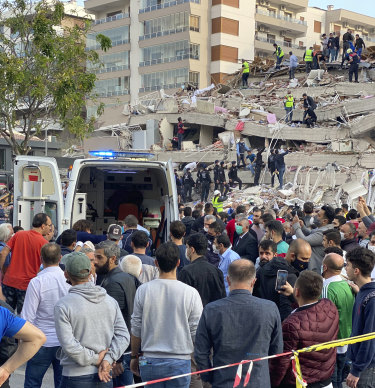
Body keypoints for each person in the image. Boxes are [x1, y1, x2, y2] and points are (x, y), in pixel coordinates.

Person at [194, 260, 283, 388]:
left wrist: (210, 377)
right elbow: (277, 351)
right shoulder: (270, 308)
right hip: (258, 381)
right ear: (253, 281)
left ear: (228, 280)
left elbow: (201, 352)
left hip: (223, 381)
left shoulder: (211, 310)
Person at [130, 242, 203, 388]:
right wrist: (199, 360)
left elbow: (136, 327)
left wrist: (133, 356)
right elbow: (196, 331)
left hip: (149, 359)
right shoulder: (190, 293)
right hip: (180, 360)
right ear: (178, 262)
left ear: (156, 263)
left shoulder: (143, 290)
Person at [54, 252, 129, 388]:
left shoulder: (63, 305)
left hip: (76, 375)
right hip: (104, 374)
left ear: (66, 274)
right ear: (90, 273)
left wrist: (99, 359)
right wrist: (107, 359)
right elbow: (123, 336)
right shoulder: (110, 301)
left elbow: (69, 345)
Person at [270, 271, 339, 388]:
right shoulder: (329, 306)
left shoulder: (291, 324)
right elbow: (311, 311)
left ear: (297, 291)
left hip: (302, 383)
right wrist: (294, 295)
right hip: (326, 380)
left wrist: (272, 383)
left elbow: (282, 363)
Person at [21, 243, 70, 388]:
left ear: (41, 259)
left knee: (32, 383)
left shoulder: (37, 282)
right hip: (64, 340)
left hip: (40, 341)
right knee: (62, 383)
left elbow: (27, 316)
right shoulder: (68, 280)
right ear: (60, 258)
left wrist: (23, 342)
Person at [94, 240, 140, 387]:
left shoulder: (113, 282)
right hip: (124, 349)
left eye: (99, 257)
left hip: (118, 352)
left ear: (113, 259)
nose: (95, 261)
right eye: (95, 257)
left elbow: (114, 322)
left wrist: (116, 358)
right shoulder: (127, 277)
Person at [0, 213, 51, 312]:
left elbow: (3, 253)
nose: (50, 229)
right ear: (43, 226)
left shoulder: (19, 234)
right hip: (27, 285)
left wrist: (3, 272)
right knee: (23, 317)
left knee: (4, 314)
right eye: (49, 225)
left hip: (9, 281)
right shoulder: (44, 243)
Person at [254, 239, 311, 321]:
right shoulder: (290, 276)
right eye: (304, 259)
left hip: (262, 317)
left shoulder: (265, 267)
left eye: (308, 259)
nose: (307, 262)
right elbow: (285, 308)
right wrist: (293, 293)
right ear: (292, 256)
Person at [321, 253, 355, 388]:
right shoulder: (348, 284)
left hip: (332, 345)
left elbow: (324, 319)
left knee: (334, 381)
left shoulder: (327, 288)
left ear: (324, 267)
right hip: (347, 342)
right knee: (340, 380)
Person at [346, 247, 375, 388]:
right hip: (362, 363)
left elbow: (369, 338)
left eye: (348, 265)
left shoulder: (372, 299)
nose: (345, 269)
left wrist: (357, 370)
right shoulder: (363, 293)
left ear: (356, 270)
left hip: (368, 368)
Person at [0, 307, 46, 388]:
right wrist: (6, 369)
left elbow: (37, 338)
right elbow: (38, 338)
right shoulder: (2, 313)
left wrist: (6, 369)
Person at [179, 233, 226, 306]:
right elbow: (222, 298)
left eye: (187, 247)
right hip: (213, 314)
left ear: (192, 249)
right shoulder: (217, 271)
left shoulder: (186, 272)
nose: (186, 250)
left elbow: (183, 300)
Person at [293, 205, 335, 273]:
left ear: (325, 221)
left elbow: (304, 241)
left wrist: (296, 226)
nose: (314, 216)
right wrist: (303, 227)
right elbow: (312, 234)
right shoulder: (322, 228)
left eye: (318, 215)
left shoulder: (324, 232)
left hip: (314, 269)